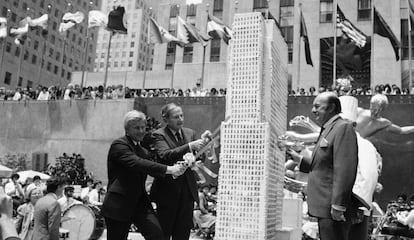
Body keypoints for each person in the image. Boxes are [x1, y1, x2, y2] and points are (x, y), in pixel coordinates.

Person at [101, 110, 187, 240]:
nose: (141, 131)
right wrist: (170, 169)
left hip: (140, 203)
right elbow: (138, 163)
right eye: (137, 128)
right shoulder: (119, 145)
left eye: (143, 127)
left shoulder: (143, 150)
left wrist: (179, 169)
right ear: (127, 129)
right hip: (119, 204)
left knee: (157, 235)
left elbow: (154, 168)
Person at [290, 92, 359, 240]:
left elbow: (345, 169)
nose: (313, 111)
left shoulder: (342, 128)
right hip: (324, 206)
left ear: (331, 107)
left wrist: (338, 205)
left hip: (332, 207)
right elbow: (323, 166)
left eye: (317, 106)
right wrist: (298, 159)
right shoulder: (328, 129)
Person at [151, 103, 207, 240]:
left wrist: (205, 144)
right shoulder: (158, 135)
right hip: (167, 191)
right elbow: (165, 155)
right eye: (176, 117)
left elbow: (199, 156)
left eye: (181, 115)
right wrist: (189, 146)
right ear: (166, 119)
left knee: (183, 232)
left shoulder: (190, 133)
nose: (180, 119)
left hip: (187, 191)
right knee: (164, 231)